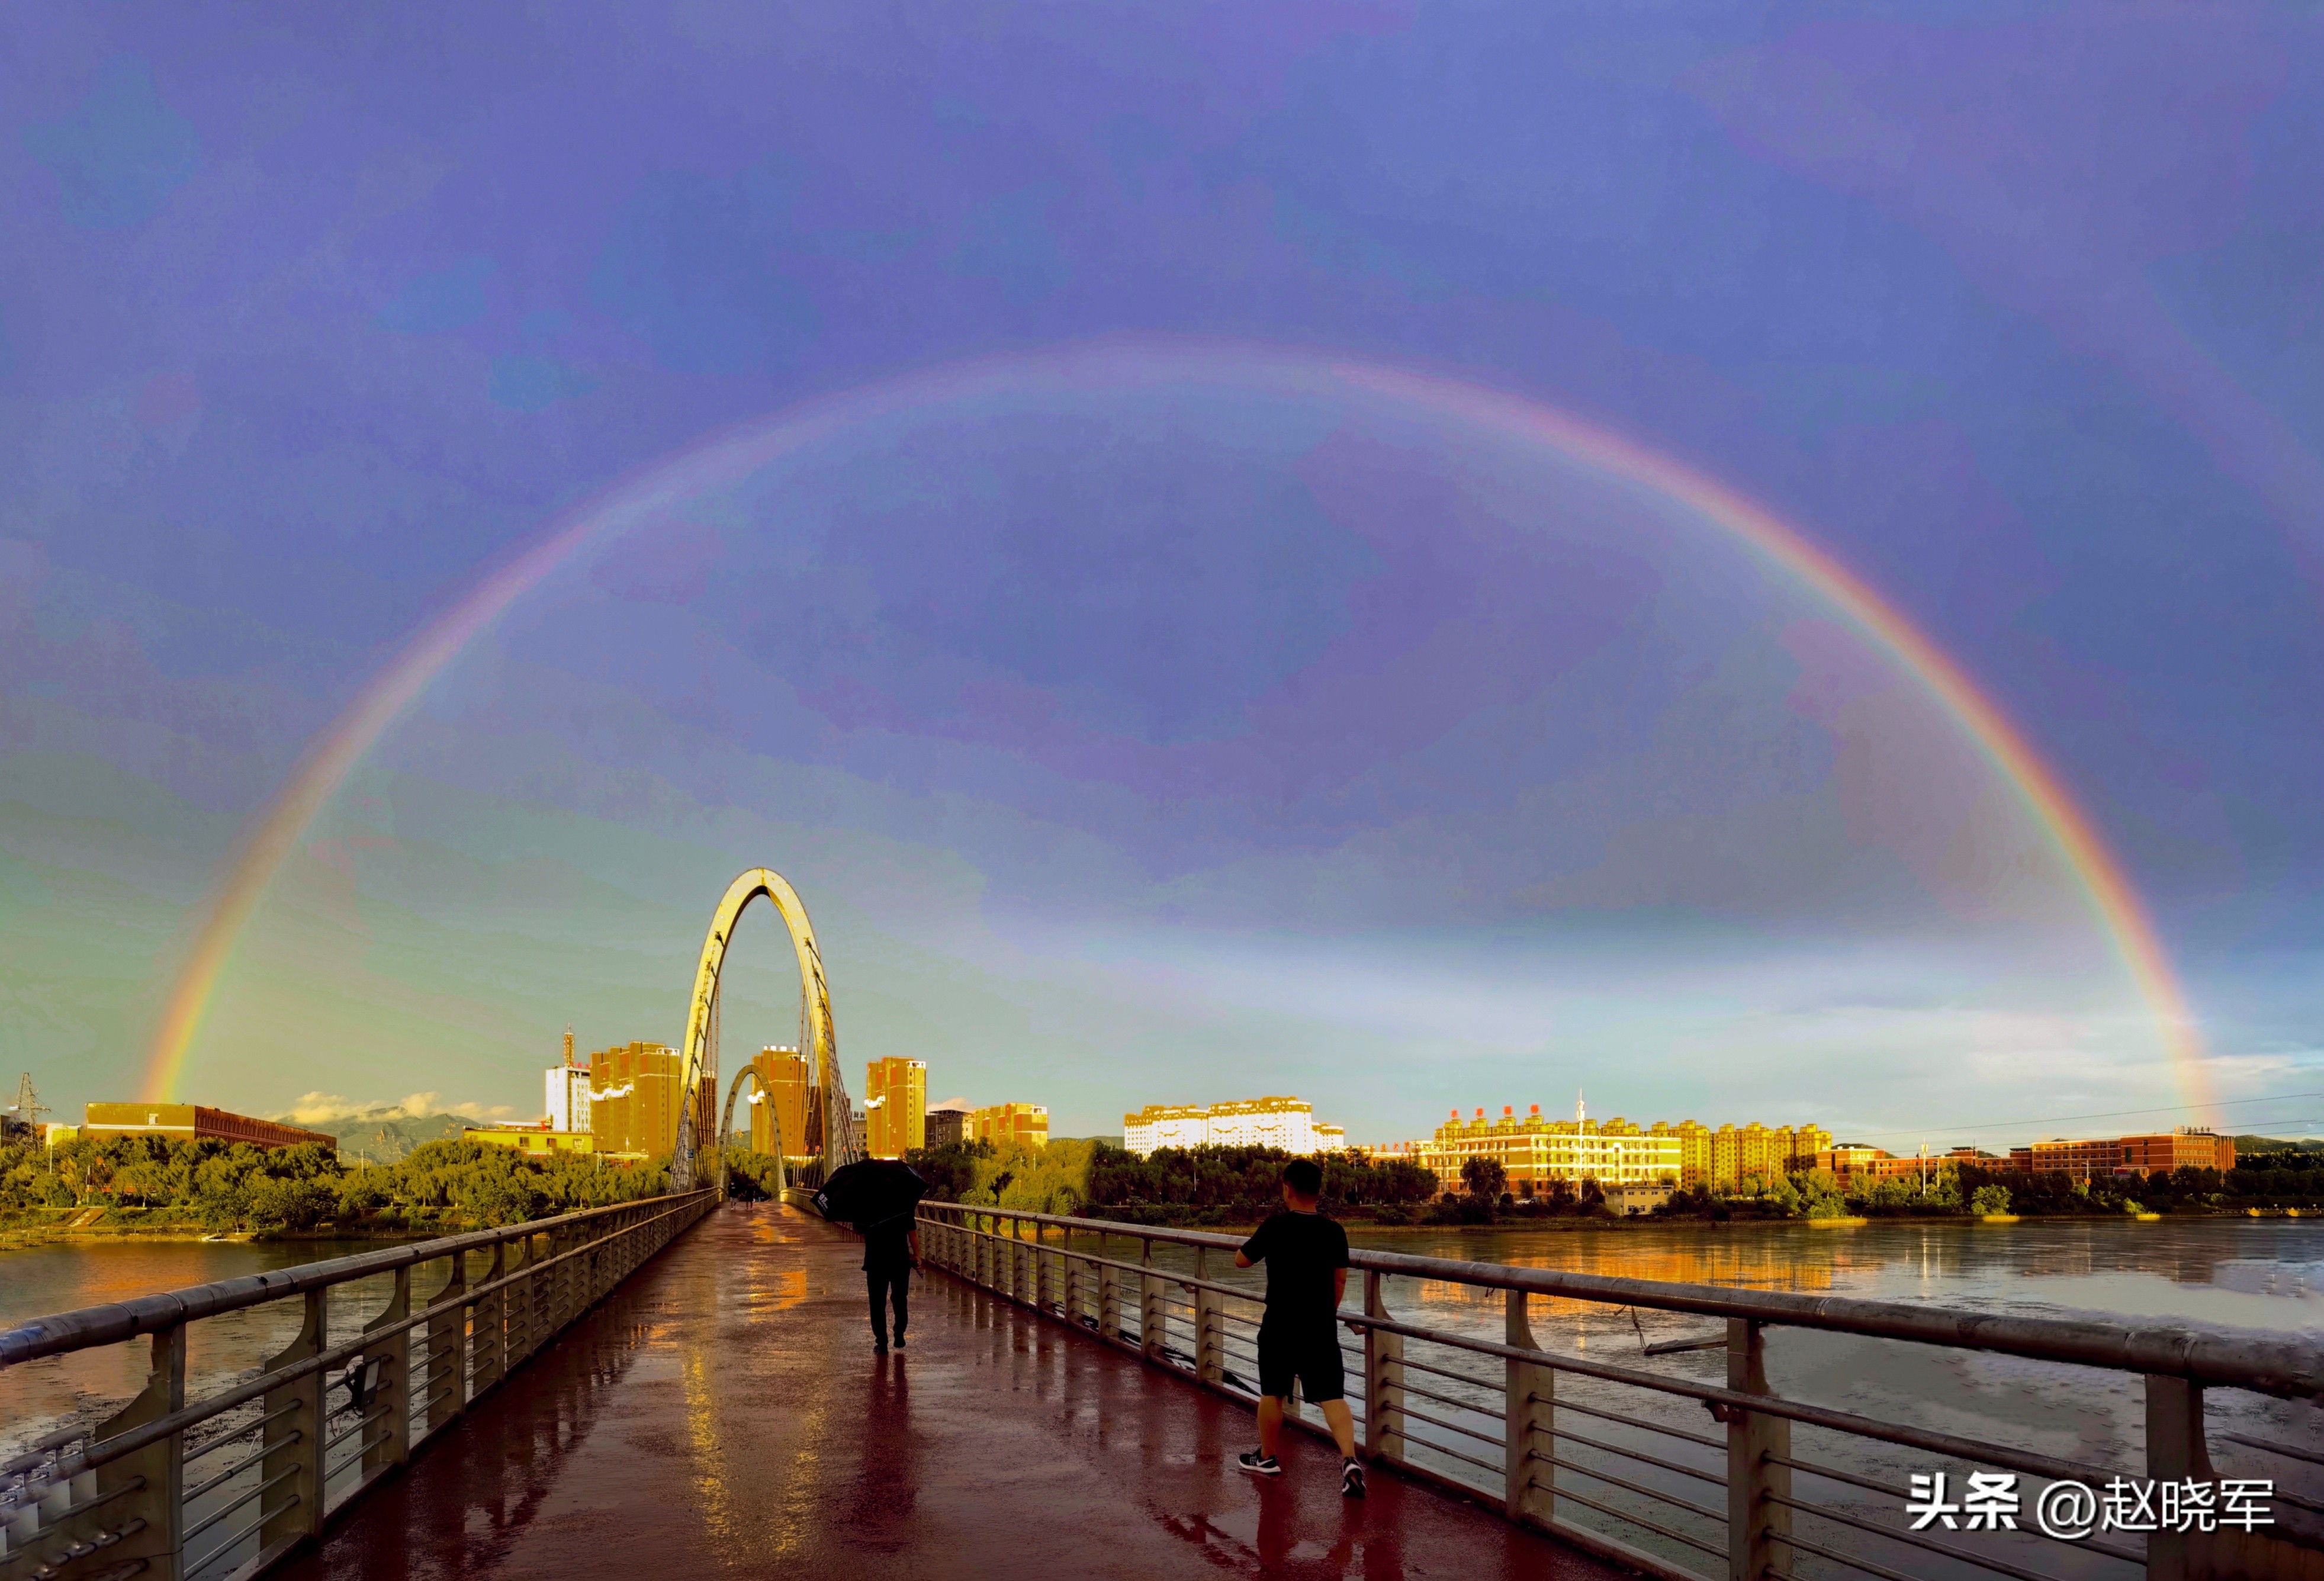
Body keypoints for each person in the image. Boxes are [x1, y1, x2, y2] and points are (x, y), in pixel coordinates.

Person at [1234, 1157, 1364, 1497]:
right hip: (1319, 1325)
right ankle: (1349, 1459)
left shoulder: (1275, 1226)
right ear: (1318, 1193)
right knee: (1332, 1396)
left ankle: (1267, 1458)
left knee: (1272, 1391)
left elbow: (1242, 1260)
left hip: (1279, 1323)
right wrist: (1324, 1313)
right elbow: (1339, 1280)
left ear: (1287, 1189)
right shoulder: (1334, 1231)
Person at [864, 1210, 918, 1353]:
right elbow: (912, 1232)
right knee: (900, 1298)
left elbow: (858, 1231)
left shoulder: (866, 1206)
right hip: (900, 1260)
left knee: (877, 1303)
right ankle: (899, 1331)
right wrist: (917, 1255)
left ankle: (882, 1342)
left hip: (875, 1261)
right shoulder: (903, 1205)